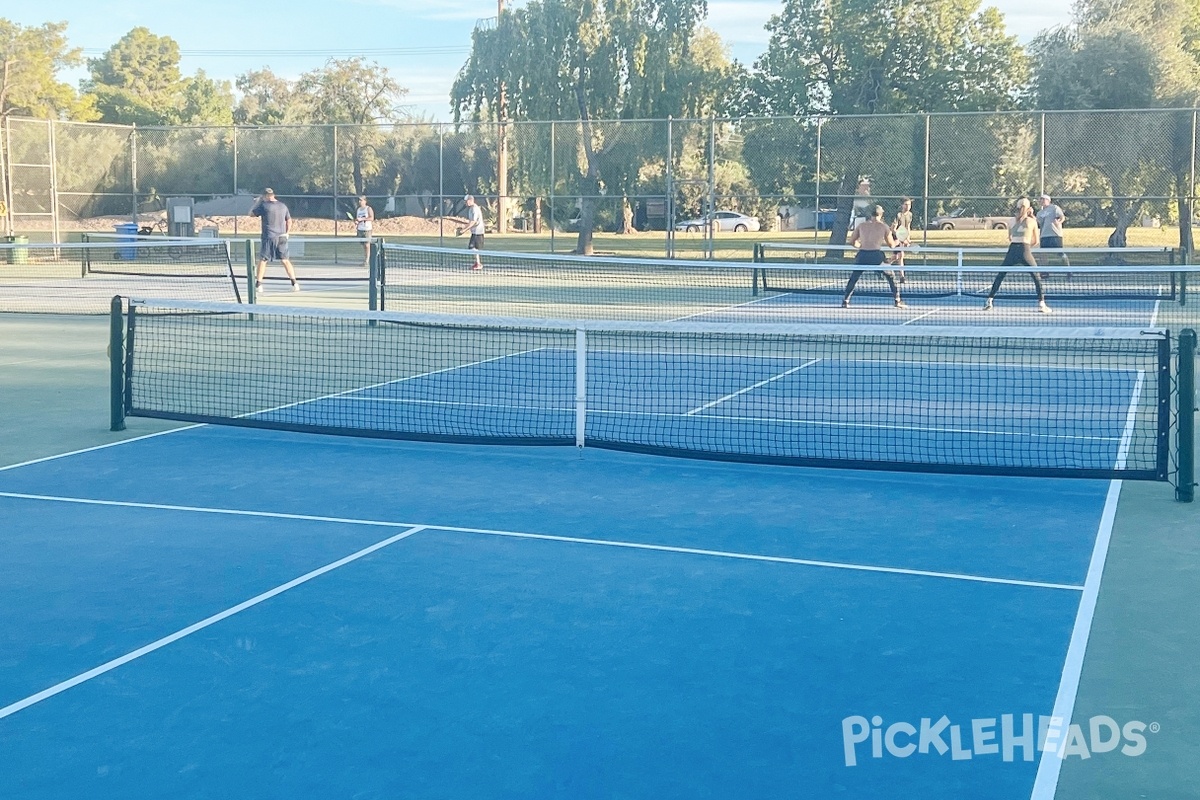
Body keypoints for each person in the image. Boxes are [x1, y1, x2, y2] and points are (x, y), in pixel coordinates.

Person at [983, 197, 1051, 313]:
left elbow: (1010, 237)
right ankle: (1042, 304)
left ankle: (989, 300)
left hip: (1012, 249)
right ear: (1029, 208)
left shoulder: (1011, 221)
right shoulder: (1032, 221)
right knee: (1036, 277)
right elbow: (1035, 241)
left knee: (1001, 275)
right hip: (1025, 249)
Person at [842, 204, 905, 308]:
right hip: (876, 256)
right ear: (881, 214)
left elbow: (852, 241)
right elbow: (892, 245)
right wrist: (899, 240)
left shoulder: (861, 225)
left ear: (870, 214)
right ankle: (897, 300)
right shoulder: (884, 226)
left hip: (862, 255)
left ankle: (845, 301)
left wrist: (861, 246)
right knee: (891, 276)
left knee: (853, 278)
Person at [250, 188, 299, 292]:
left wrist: (257, 202)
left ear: (266, 196)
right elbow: (289, 221)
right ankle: (294, 283)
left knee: (263, 260)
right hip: (282, 237)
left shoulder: (263, 205)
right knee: (285, 260)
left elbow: (250, 214)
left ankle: (258, 285)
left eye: (263, 196)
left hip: (269, 237)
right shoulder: (283, 206)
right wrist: (287, 233)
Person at [1036, 193, 1071, 274]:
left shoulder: (1054, 208)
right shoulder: (1039, 213)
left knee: (1060, 253)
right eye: (1040, 200)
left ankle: (1068, 270)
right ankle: (1045, 272)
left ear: (1048, 200)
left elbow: (1062, 217)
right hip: (1044, 235)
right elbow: (1039, 223)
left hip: (1055, 234)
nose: (1041, 201)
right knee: (1043, 254)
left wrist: (1059, 222)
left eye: (1043, 199)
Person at [889, 197, 914, 283]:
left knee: (897, 257)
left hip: (902, 236)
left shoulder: (910, 215)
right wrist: (902, 238)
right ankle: (902, 277)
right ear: (902, 205)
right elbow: (893, 229)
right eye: (906, 204)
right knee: (901, 255)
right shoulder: (898, 215)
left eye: (909, 204)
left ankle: (883, 265)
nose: (908, 206)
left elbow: (908, 227)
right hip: (895, 236)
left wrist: (908, 238)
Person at [459, 194, 484, 270]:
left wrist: (464, 230)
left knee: (472, 247)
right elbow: (470, 222)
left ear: (471, 201)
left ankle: (478, 264)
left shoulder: (474, 209)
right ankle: (477, 263)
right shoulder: (471, 209)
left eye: (466, 201)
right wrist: (464, 228)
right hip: (474, 232)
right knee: (473, 248)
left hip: (478, 232)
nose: (465, 203)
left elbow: (473, 222)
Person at [355, 195, 374, 265]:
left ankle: (367, 260)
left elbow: (372, 218)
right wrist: (357, 222)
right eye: (359, 200)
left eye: (361, 200)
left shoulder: (368, 209)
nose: (360, 202)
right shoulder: (358, 210)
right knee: (364, 245)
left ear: (365, 201)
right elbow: (358, 219)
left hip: (367, 229)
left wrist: (362, 219)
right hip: (360, 229)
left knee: (367, 245)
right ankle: (366, 258)